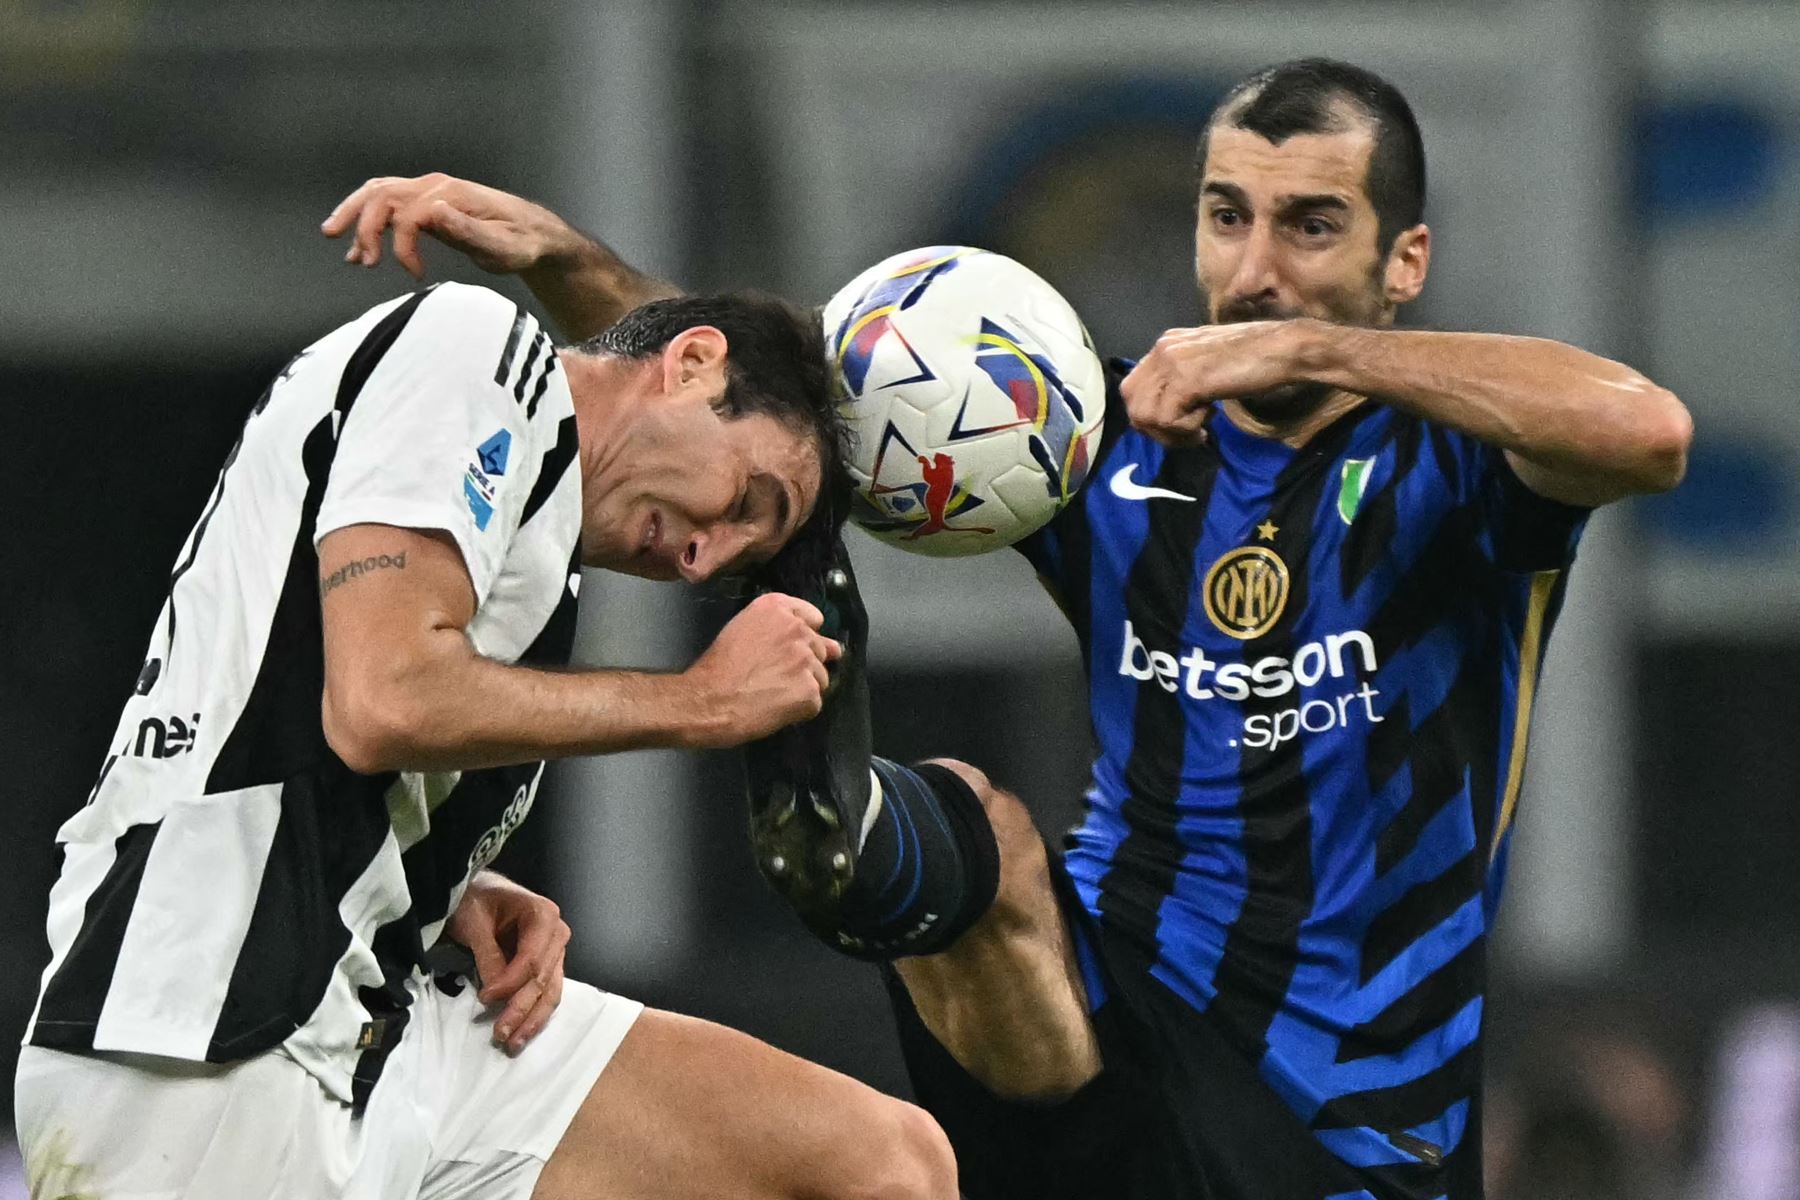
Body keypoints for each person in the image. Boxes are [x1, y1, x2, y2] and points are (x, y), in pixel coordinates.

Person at [327, 57, 1692, 1200]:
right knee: (976, 831)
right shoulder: (1099, 441)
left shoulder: (1455, 476)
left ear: (1407, 263)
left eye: (1311, 226)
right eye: (1227, 217)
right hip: (1104, 1030)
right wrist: (568, 262)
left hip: (1346, 1128)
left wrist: (1317, 355)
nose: (1255, 268)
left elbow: (1646, 427)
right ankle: (842, 832)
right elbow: (776, 417)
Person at [14, 280, 959, 1199]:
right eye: (748, 499)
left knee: (879, 1166)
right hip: (205, 1044)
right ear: (694, 365)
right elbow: (382, 700)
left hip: (379, 1028)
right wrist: (702, 699)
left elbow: (312, 709)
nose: (701, 556)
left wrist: (439, 880)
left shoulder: (533, 532)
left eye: (741, 556)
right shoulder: (477, 346)